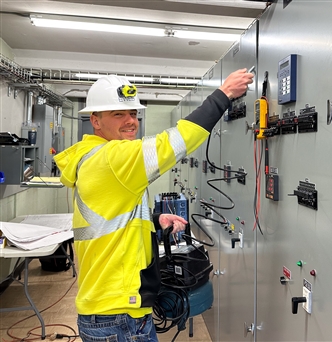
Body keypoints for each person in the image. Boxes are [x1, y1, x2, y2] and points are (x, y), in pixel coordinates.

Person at [53, 69, 254, 341]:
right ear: (95, 121)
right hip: (119, 314)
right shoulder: (113, 157)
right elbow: (176, 141)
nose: (130, 122)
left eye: (133, 114)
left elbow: (113, 215)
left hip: (104, 305)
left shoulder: (88, 156)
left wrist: (155, 218)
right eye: (118, 114)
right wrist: (224, 94)